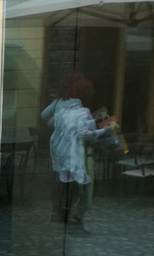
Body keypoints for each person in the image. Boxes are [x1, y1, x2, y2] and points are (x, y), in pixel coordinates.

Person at [41, 77, 107, 233]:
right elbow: (86, 134)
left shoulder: (58, 104)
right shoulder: (82, 110)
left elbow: (45, 117)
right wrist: (104, 129)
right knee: (78, 186)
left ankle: (58, 212)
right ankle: (70, 215)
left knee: (61, 183)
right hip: (76, 152)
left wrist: (59, 122)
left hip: (59, 150)